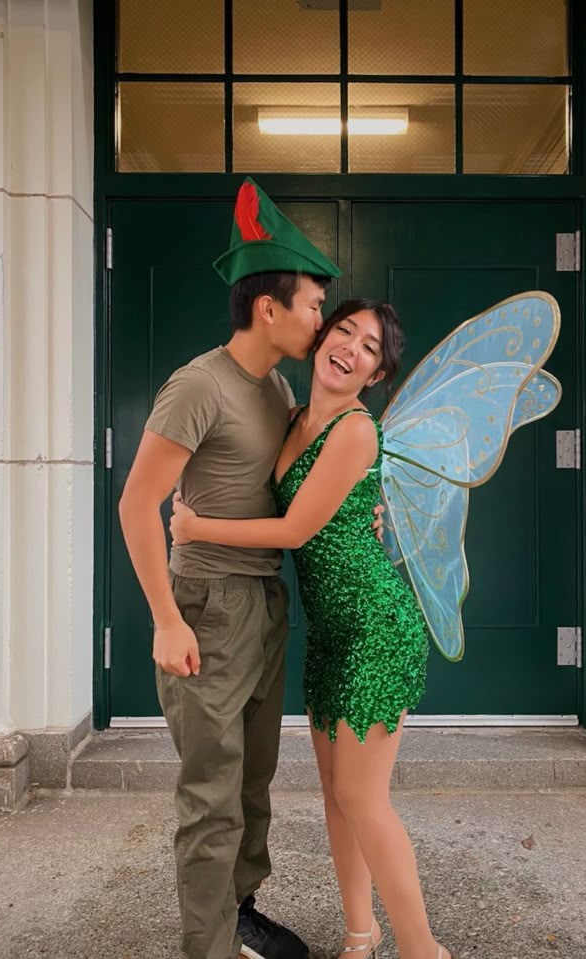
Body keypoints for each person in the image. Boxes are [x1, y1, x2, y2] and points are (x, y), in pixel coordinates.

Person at [119, 178, 381, 959]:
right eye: (312, 305)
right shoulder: (198, 386)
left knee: (251, 783)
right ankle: (207, 943)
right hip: (207, 604)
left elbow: (307, 480)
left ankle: (239, 913)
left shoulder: (277, 386)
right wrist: (167, 619)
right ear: (268, 306)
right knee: (211, 793)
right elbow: (139, 507)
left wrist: (357, 509)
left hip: (266, 601)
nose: (322, 321)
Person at [170, 299, 451, 959]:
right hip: (330, 630)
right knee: (336, 795)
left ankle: (423, 949)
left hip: (377, 626)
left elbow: (295, 530)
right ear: (323, 337)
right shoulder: (292, 415)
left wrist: (195, 527)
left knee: (363, 795)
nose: (351, 346)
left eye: (371, 348)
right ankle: (362, 933)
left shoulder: (356, 430)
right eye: (344, 329)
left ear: (377, 374)